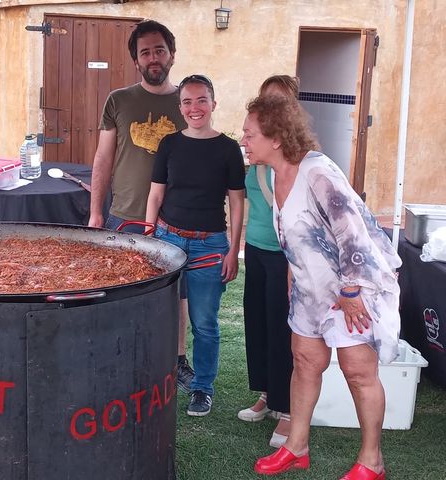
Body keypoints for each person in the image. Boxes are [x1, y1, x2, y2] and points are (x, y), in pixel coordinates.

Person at [241, 95, 401, 479]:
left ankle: (372, 461)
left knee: (359, 370)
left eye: (249, 134)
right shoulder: (272, 174)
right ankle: (296, 447)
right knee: (305, 361)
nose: (244, 140)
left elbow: (353, 234)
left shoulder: (317, 171)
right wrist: (296, 279)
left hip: (353, 288)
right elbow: (299, 239)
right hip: (311, 289)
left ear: (275, 138)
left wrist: (350, 292)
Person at [87, 20, 194, 393]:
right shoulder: (118, 100)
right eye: (145, 52)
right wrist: (96, 212)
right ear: (136, 59)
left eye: (159, 50)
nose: (153, 58)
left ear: (172, 55)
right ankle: (117, 353)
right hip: (124, 214)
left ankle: (178, 360)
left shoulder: (187, 102)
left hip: (174, 218)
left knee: (175, 293)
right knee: (118, 288)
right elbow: (103, 159)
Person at [146, 74, 245, 416]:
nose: (194, 108)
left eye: (201, 100)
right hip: (167, 240)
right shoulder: (169, 144)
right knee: (162, 315)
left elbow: (236, 202)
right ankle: (161, 376)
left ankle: (202, 387)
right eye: (187, 102)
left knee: (204, 321)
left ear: (213, 104)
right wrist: (149, 234)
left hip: (209, 246)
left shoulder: (229, 149)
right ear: (180, 108)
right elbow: (156, 192)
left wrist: (233, 249)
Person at [238, 75, 299, 448]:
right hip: (257, 249)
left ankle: (288, 409)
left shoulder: (294, 157)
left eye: (278, 102)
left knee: (283, 330)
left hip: (284, 257)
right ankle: (265, 394)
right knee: (257, 324)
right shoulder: (256, 153)